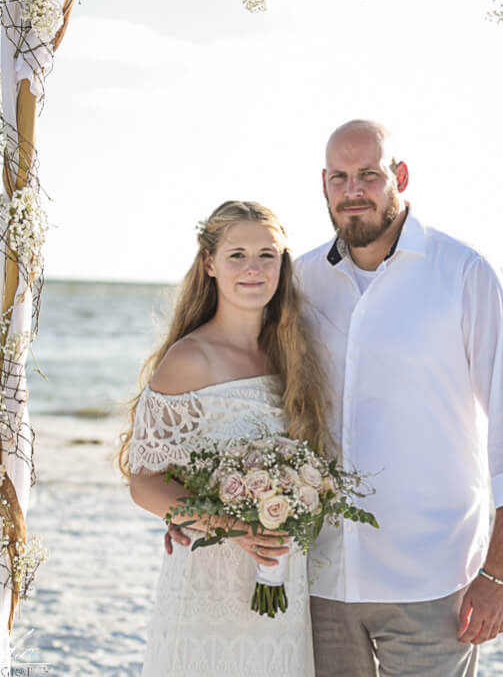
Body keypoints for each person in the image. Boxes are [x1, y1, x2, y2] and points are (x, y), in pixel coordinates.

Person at [167, 121, 503, 677]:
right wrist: (195, 501)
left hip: (431, 582)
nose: (354, 191)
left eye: (369, 175)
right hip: (318, 578)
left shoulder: (467, 275)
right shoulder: (299, 282)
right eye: (340, 177)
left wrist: (500, 573)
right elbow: (255, 401)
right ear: (324, 185)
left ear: (400, 177)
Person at [119, 200, 330, 677]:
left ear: (283, 263)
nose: (253, 269)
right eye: (237, 255)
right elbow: (146, 481)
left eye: (267, 255)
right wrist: (233, 530)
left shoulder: (292, 357)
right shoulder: (190, 359)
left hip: (281, 576)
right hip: (210, 577)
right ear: (210, 264)